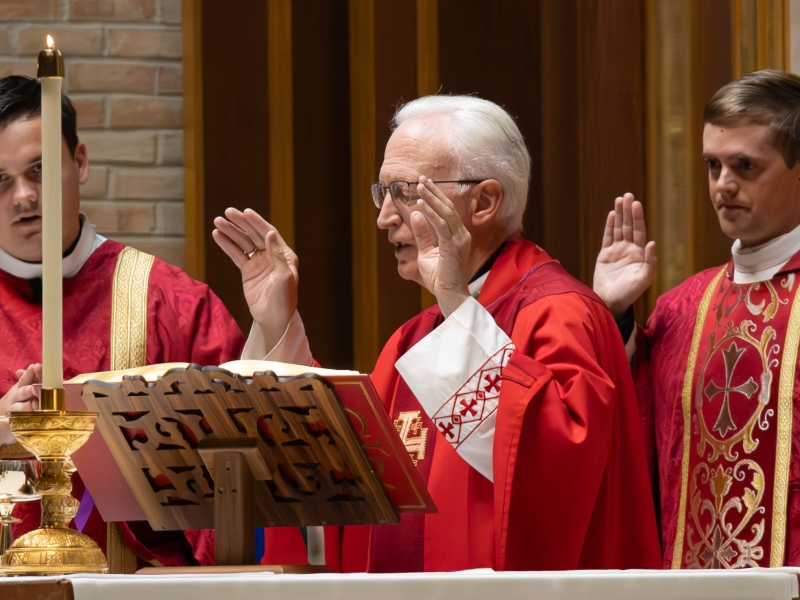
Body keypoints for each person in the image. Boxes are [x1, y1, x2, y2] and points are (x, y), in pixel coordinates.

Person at [214, 95, 661, 571]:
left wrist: (452, 298)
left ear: (484, 201)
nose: (385, 217)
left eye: (404, 193)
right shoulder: (416, 336)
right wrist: (278, 324)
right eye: (381, 193)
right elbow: (337, 471)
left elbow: (555, 475)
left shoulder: (560, 313)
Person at [0, 75, 245, 566]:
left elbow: (250, 457)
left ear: (81, 162)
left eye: (40, 170)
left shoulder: (168, 301)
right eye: (0, 181)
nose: (24, 197)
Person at [593, 69, 800, 568]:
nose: (723, 186)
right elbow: (633, 444)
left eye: (745, 166)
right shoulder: (681, 307)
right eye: (713, 165)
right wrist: (613, 317)